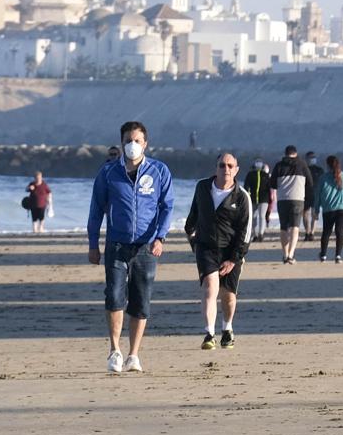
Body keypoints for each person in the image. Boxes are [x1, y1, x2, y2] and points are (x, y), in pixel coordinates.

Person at [88, 120, 174, 374]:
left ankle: (133, 354)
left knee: (140, 300)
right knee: (114, 295)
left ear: (145, 143)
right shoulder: (108, 173)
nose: (132, 145)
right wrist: (93, 244)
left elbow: (167, 206)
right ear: (121, 143)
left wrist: (161, 237)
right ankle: (115, 350)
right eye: (128, 140)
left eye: (137, 140)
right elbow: (96, 210)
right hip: (116, 243)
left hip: (147, 247)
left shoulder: (159, 171)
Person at [185, 153, 252, 351]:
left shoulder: (242, 196)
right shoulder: (202, 187)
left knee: (228, 295)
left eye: (230, 166)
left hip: (231, 251)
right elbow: (192, 219)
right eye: (222, 165)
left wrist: (234, 259)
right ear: (216, 168)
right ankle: (209, 333)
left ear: (236, 169)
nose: (226, 169)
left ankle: (227, 329)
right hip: (206, 248)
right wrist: (194, 243)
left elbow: (245, 232)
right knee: (210, 287)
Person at [269, 145, 310, 264]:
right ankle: (291, 254)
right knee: (295, 227)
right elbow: (310, 182)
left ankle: (285, 254)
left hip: (282, 199)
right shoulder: (302, 165)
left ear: (285, 153)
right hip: (298, 199)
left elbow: (273, 184)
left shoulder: (279, 165)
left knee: (283, 227)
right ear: (296, 153)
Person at [316, 155, 343, 263]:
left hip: (328, 209)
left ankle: (323, 255)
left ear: (327, 165)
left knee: (326, 231)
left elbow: (317, 195)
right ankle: (338, 256)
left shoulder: (323, 178)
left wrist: (316, 210)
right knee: (339, 231)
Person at [243, 158, 272, 243]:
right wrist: (247, 194)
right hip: (252, 198)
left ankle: (261, 234)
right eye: (257, 163)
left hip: (264, 199)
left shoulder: (266, 175)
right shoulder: (250, 174)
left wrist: (270, 199)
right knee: (253, 217)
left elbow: (270, 188)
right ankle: (255, 234)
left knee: (262, 216)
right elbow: (246, 186)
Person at [303, 151, 324, 241]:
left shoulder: (319, 170)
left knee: (314, 214)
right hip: (305, 194)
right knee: (305, 214)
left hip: (316, 195)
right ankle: (307, 232)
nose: (312, 159)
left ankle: (312, 232)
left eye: (313, 157)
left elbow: (323, 183)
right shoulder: (303, 169)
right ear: (306, 159)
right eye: (310, 157)